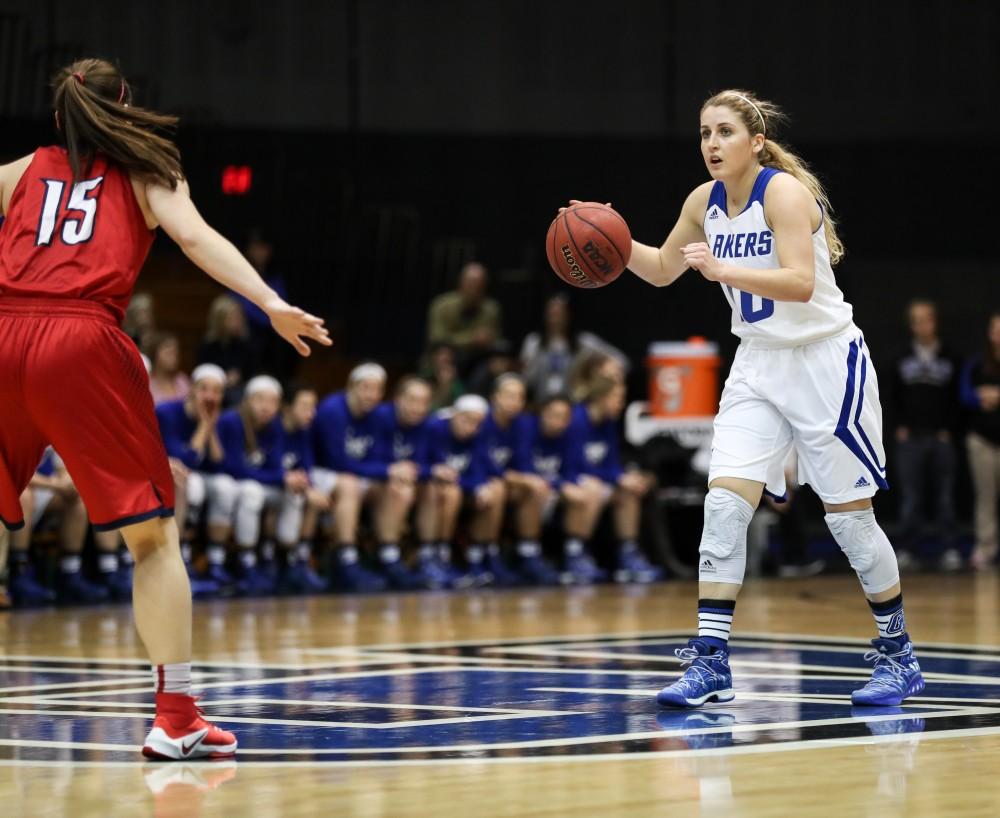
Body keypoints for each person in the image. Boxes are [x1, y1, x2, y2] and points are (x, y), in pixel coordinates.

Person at [0, 58, 330, 759]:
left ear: (59, 118)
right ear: (123, 108)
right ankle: (175, 716)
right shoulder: (150, 168)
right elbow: (197, 239)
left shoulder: (21, 170)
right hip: (82, 339)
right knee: (152, 540)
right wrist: (268, 303)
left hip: (3, 332)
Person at [607, 89, 923, 708]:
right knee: (723, 506)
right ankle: (710, 660)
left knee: (850, 521)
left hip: (826, 362)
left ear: (755, 142)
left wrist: (723, 271)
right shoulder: (702, 202)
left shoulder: (783, 194)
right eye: (703, 133)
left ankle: (899, 654)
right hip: (757, 364)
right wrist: (611, 242)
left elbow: (801, 283)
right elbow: (665, 267)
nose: (711, 144)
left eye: (724, 132)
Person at [312, 363, 408, 592]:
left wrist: (390, 473)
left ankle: (389, 555)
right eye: (366, 388)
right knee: (350, 484)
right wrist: (386, 470)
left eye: (377, 390)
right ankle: (346, 560)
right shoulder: (332, 410)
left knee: (396, 487)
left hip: (357, 473)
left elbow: (382, 457)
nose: (371, 395)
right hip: (321, 473)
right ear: (351, 387)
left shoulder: (381, 415)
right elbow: (337, 461)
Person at [216, 376, 309, 595]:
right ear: (247, 400)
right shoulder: (231, 420)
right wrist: (281, 477)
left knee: (293, 492)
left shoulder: (275, 427)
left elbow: (275, 465)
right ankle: (246, 561)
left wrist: (290, 479)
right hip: (233, 483)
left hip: (260, 482)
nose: (266, 407)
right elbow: (234, 468)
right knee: (252, 492)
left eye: (272, 402)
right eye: (260, 400)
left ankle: (286, 558)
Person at [565, 377, 660, 584]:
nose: (621, 403)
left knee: (630, 490)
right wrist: (617, 477)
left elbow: (611, 462)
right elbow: (576, 465)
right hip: (570, 480)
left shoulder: (608, 423)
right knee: (594, 489)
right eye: (617, 398)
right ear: (600, 398)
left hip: (598, 480)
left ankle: (629, 554)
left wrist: (625, 478)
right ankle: (575, 554)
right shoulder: (577, 420)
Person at [888, 299, 961, 569]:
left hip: (941, 438)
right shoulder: (900, 357)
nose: (922, 325)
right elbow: (892, 396)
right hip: (911, 439)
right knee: (910, 497)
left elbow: (956, 398)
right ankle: (908, 548)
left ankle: (950, 548)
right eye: (916, 320)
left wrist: (948, 429)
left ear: (935, 321)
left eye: (927, 319)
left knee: (945, 496)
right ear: (911, 325)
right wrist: (900, 428)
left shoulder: (950, 357)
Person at [155, 363, 235, 596]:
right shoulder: (167, 412)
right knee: (190, 484)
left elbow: (221, 465)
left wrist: (210, 427)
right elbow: (183, 460)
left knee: (225, 487)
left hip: (198, 475)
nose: (210, 396)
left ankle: (216, 563)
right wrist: (203, 426)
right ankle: (181, 562)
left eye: (217, 391)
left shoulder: (217, 417)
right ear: (191, 389)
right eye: (204, 389)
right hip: (168, 474)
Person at [423, 394, 506, 586]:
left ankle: (480, 556)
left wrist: (478, 487)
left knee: (496, 488)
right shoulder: (435, 428)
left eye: (476, 423)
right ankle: (439, 556)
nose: (470, 426)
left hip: (462, 485)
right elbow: (428, 465)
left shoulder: (480, 434)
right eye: (466, 419)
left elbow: (481, 467)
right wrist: (472, 484)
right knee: (451, 492)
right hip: (431, 487)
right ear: (455, 414)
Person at [371, 376, 444, 589]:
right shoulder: (380, 418)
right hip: (372, 482)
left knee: (432, 488)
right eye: (412, 400)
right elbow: (368, 459)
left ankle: (428, 556)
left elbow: (431, 465)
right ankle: (388, 556)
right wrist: (391, 469)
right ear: (398, 399)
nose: (418, 407)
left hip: (408, 482)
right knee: (400, 489)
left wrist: (421, 470)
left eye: (424, 402)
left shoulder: (429, 425)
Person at [520, 294, 629, 401]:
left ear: (569, 315)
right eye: (552, 313)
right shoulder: (533, 342)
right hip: (540, 404)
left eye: (560, 313)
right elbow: (526, 379)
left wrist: (606, 369)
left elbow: (621, 360)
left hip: (573, 406)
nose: (555, 318)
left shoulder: (584, 342)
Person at [278, 383, 328, 593]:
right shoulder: (274, 429)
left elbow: (306, 467)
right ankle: (278, 561)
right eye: (306, 406)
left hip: (291, 487)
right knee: (299, 496)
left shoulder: (304, 432)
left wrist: (310, 488)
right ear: (287, 408)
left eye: (314, 406)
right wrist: (304, 488)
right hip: (272, 486)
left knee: (314, 494)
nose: (312, 412)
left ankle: (300, 561)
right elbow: (270, 466)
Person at [961, 312, 1000, 571]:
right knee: (986, 497)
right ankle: (986, 548)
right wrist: (980, 399)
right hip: (983, 441)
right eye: (996, 329)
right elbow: (965, 394)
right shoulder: (978, 364)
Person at [426, 262, 502, 375]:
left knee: (496, 365)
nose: (474, 289)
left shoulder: (491, 309)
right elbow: (437, 338)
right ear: (461, 283)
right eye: (471, 283)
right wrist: (471, 339)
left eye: (479, 285)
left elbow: (495, 339)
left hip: (478, 359)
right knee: (442, 357)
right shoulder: (442, 305)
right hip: (446, 355)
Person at [197, 295, 254, 405]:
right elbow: (202, 372)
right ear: (219, 320)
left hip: (240, 389)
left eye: (239, 317)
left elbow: (253, 371)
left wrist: (239, 376)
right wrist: (223, 378)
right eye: (232, 318)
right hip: (214, 388)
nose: (237, 322)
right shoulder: (208, 346)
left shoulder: (246, 344)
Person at [146, 332, 191, 405]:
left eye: (175, 353)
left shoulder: (183, 381)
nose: (173, 358)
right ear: (154, 354)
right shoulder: (147, 383)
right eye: (168, 353)